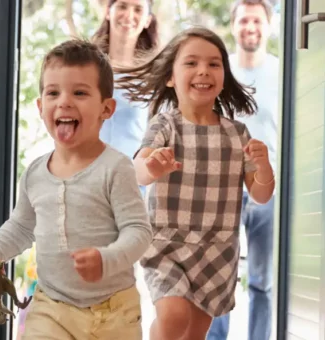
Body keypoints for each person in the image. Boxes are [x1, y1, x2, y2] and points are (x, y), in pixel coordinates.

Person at [0, 39, 152, 340]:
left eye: (79, 92)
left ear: (107, 108)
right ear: (41, 107)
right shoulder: (35, 174)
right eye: (53, 93)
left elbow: (139, 232)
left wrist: (107, 258)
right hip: (51, 308)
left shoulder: (116, 168)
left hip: (115, 313)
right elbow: (21, 226)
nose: (64, 102)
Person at [115, 26, 275, 340]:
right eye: (191, 63)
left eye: (214, 64)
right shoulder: (164, 125)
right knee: (174, 316)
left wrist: (265, 166)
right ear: (171, 77)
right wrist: (152, 165)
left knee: (195, 333)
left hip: (217, 253)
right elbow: (138, 171)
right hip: (167, 246)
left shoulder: (237, 134)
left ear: (224, 76)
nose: (203, 70)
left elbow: (261, 194)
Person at [207, 1, 278, 339]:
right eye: (244, 20)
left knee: (263, 281)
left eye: (258, 20)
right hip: (225, 191)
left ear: (270, 25)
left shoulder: (283, 73)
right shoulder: (220, 74)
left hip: (269, 191)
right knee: (220, 278)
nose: (251, 27)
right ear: (234, 26)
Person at [93, 0, 158, 177]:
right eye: (122, 6)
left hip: (132, 181)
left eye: (138, 9)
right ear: (108, 11)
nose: (129, 15)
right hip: (88, 178)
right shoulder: (87, 67)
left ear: (147, 20)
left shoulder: (154, 76)